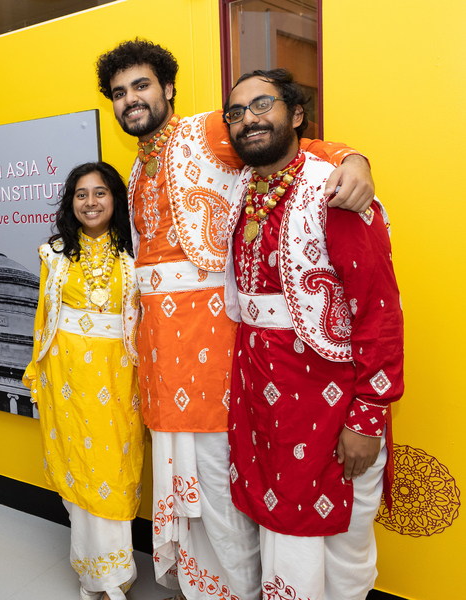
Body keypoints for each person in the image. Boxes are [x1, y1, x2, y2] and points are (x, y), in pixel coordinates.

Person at [95, 39, 375, 600]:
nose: (132, 101)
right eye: (120, 93)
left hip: (216, 353)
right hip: (161, 357)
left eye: (142, 86)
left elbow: (291, 147)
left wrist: (352, 159)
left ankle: (241, 592)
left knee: (225, 491)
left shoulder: (208, 131)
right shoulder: (135, 164)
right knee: (190, 491)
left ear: (167, 87)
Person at [222, 68, 403, 600]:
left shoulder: (336, 191)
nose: (249, 120)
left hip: (330, 399)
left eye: (263, 105)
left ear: (296, 115)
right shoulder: (240, 191)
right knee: (275, 527)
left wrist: (368, 417)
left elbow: (379, 313)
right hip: (261, 398)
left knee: (342, 540)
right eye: (237, 113)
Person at [24, 162, 144, 600]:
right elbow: (43, 318)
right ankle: (95, 575)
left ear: (115, 199)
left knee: (111, 467)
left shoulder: (136, 254)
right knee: (78, 464)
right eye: (81, 194)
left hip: (117, 379)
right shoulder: (53, 253)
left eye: (100, 193)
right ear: (70, 203)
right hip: (66, 378)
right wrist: (38, 370)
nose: (90, 202)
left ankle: (114, 573)